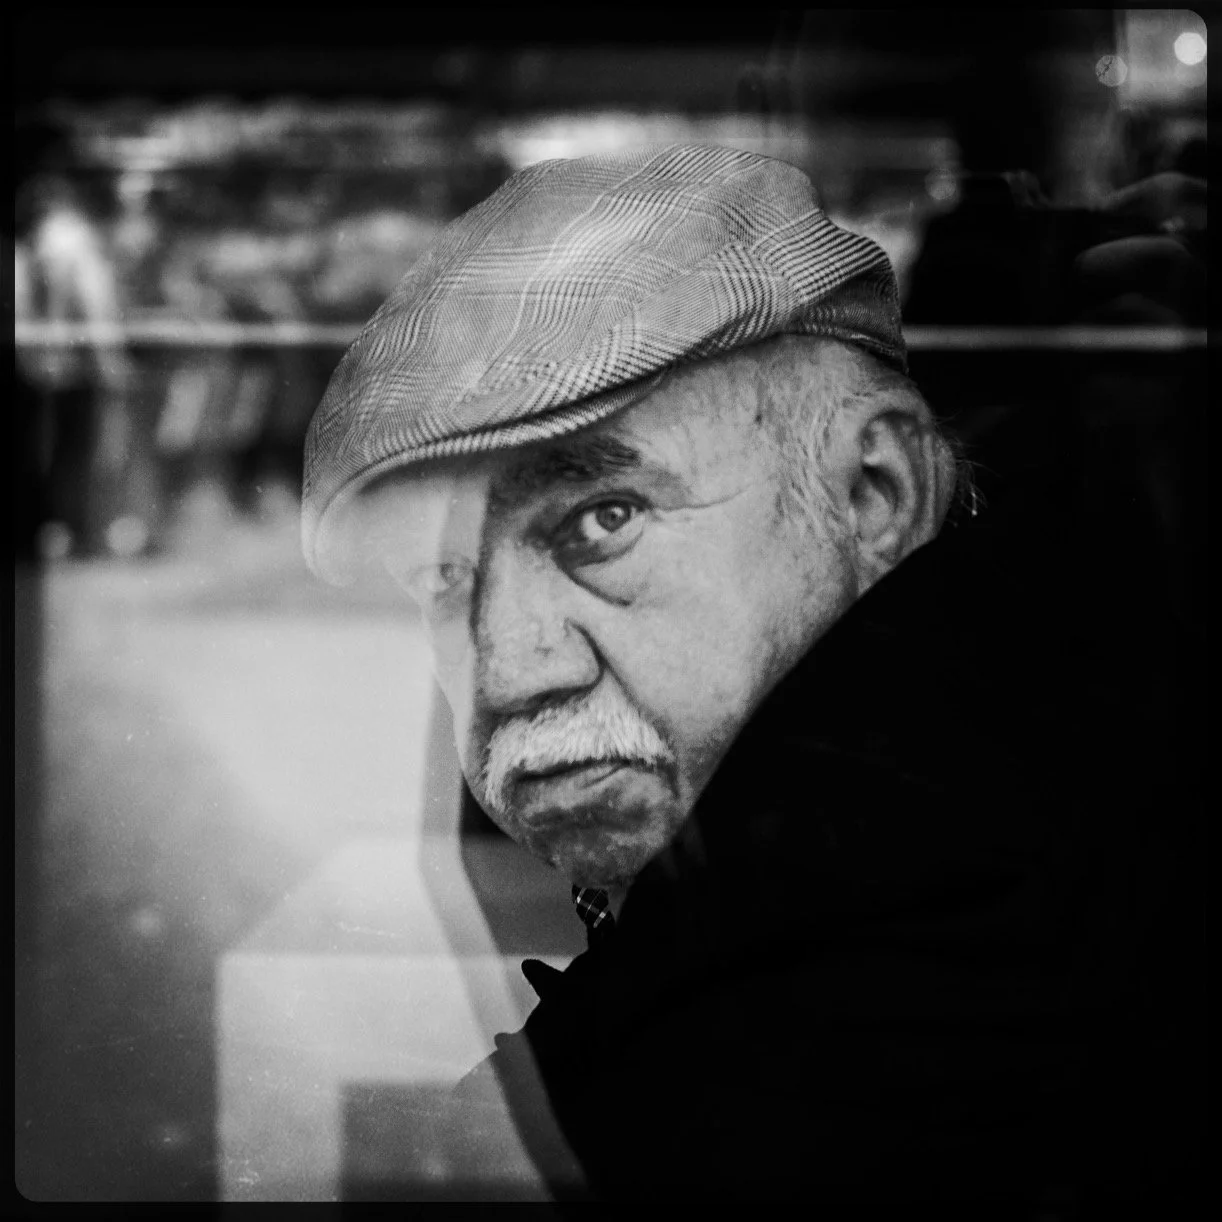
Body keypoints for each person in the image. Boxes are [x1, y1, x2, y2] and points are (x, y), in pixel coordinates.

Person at [301, 145, 1200, 1209]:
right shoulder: (933, 798)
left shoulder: (891, 991)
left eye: (603, 519)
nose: (507, 665)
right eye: (445, 575)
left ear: (874, 491)